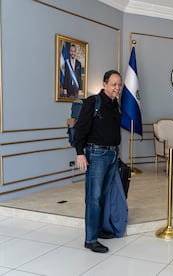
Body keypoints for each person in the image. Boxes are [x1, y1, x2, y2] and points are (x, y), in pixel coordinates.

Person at [74, 70, 122, 253]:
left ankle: (99, 229)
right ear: (104, 84)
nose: (117, 88)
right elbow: (80, 129)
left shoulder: (115, 104)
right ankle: (90, 239)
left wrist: (115, 151)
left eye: (119, 85)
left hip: (111, 155)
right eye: (113, 84)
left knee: (103, 196)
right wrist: (80, 153)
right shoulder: (93, 102)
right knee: (93, 198)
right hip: (96, 155)